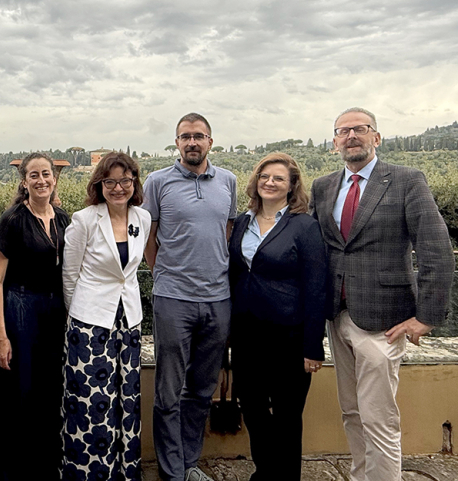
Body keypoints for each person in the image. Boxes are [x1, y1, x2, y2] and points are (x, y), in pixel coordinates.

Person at [310, 107, 454, 481]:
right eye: (342, 131)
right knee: (352, 412)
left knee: (379, 417)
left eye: (360, 129)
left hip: (384, 319)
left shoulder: (407, 180)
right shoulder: (324, 186)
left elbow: (435, 248)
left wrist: (427, 316)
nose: (351, 136)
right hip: (336, 314)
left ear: (376, 136)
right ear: (334, 142)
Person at [143, 113, 237, 481]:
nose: (192, 142)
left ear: (211, 142)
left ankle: (189, 463)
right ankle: (172, 472)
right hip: (173, 299)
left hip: (218, 299)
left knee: (201, 389)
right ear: (177, 143)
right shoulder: (157, 181)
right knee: (168, 390)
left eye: (199, 136)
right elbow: (149, 236)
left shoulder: (227, 180)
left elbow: (228, 232)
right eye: (185, 137)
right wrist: (161, 272)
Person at [228, 153, 328, 481]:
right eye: (264, 176)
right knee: (254, 412)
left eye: (278, 178)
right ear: (256, 181)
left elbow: (316, 287)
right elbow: (235, 275)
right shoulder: (243, 222)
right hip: (246, 335)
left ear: (292, 186)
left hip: (289, 336)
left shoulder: (304, 226)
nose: (270, 182)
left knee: (286, 417)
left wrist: (313, 347)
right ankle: (266, 473)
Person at [60, 152, 152, 481]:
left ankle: (124, 472)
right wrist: (83, 314)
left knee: (127, 400)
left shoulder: (142, 218)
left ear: (134, 183)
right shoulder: (84, 219)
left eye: (125, 181)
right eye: (110, 181)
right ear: (100, 184)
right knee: (91, 402)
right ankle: (89, 472)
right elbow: (69, 277)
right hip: (89, 325)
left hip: (128, 321)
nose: (118, 188)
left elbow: (130, 272)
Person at [0, 152, 70, 480]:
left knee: (51, 393)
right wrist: (1, 335)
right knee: (20, 394)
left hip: (56, 314)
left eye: (46, 174)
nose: (41, 180)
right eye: (34, 175)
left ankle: (46, 469)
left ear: (54, 178)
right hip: (21, 311)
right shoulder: (13, 219)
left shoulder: (64, 218)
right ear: (24, 181)